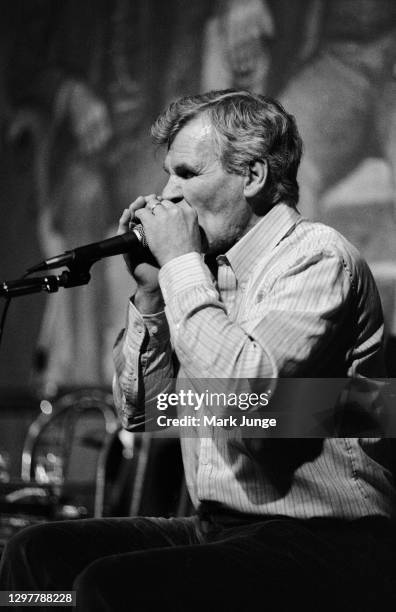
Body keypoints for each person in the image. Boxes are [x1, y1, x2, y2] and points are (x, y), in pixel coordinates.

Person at [1, 90, 396, 611]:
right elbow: (144, 414)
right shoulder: (208, 270)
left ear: (253, 175)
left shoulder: (317, 258)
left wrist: (182, 268)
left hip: (328, 536)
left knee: (109, 588)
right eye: (168, 174)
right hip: (221, 527)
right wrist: (150, 295)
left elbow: (249, 398)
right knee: (38, 558)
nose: (167, 194)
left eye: (186, 174)